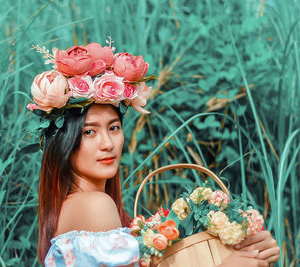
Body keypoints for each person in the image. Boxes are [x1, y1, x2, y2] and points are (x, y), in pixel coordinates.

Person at [28, 42, 280, 266]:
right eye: (89, 132)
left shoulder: (76, 206)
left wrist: (249, 249)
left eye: (114, 128)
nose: (107, 143)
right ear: (64, 142)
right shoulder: (95, 204)